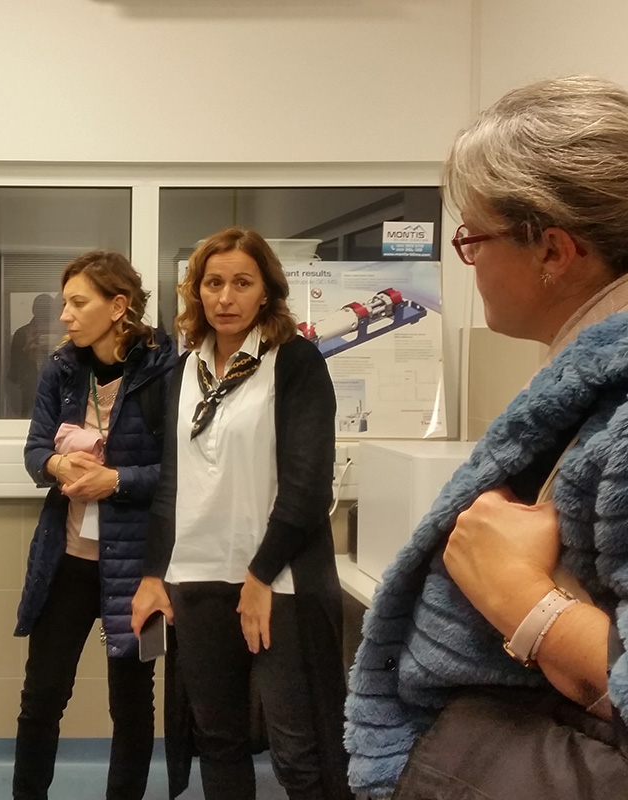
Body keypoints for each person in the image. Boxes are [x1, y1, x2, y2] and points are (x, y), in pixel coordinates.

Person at [346, 76, 628, 799]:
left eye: (473, 239)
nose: (468, 264)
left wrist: (525, 602)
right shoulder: (587, 380)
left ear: (553, 251)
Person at [131, 227, 351, 800]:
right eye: (213, 283)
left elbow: (307, 487)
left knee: (298, 750)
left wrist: (258, 577)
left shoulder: (295, 362)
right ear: (197, 292)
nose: (225, 297)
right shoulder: (185, 371)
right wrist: (153, 575)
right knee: (218, 740)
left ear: (266, 292)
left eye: (242, 283)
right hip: (197, 578)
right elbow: (172, 484)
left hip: (279, 582)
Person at [16, 250, 177, 800]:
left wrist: (117, 481)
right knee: (41, 698)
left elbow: (183, 472)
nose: (64, 315)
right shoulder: (62, 369)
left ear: (118, 306)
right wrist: (56, 465)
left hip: (138, 567)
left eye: (77, 303)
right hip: (66, 560)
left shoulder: (165, 371)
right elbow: (34, 450)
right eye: (65, 303)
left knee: (131, 705)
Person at [8, 292, 63, 416]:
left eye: (47, 310)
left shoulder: (61, 332)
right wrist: (27, 352)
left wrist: (57, 344)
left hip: (57, 388)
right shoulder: (22, 333)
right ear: (34, 311)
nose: (44, 314)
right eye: (41, 309)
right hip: (28, 389)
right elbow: (15, 372)